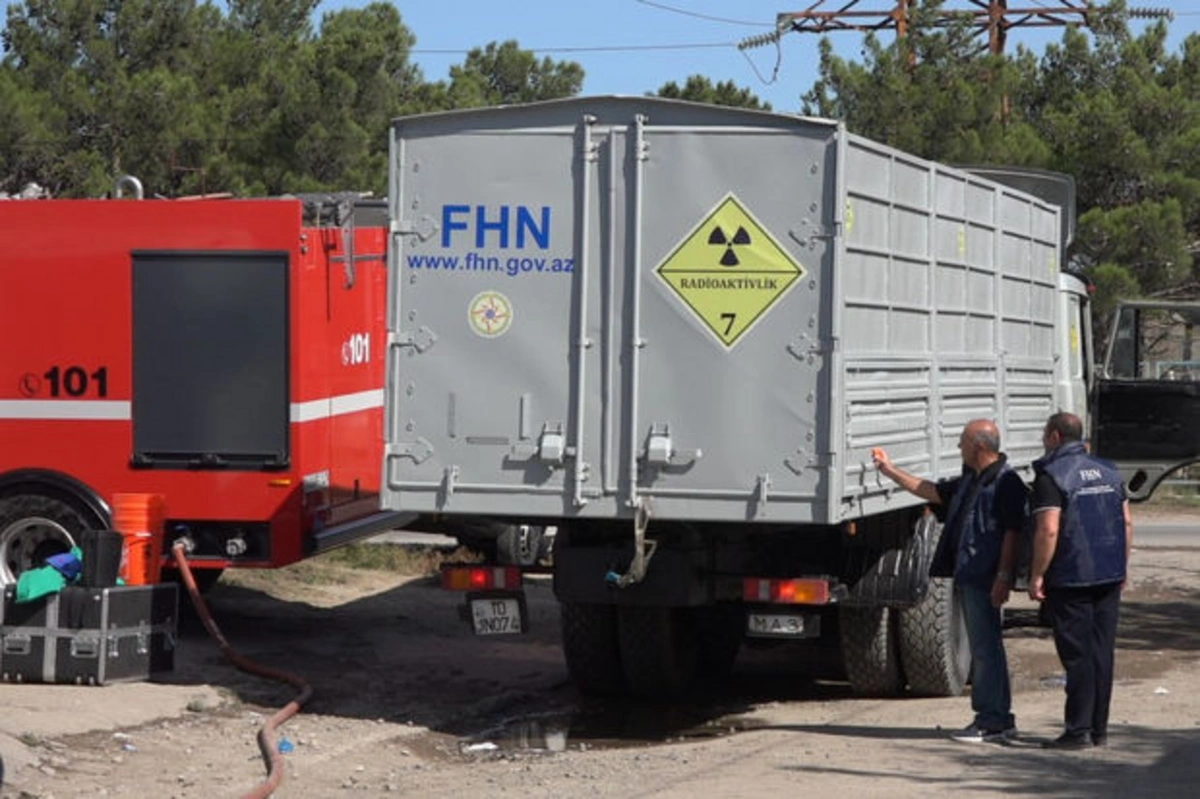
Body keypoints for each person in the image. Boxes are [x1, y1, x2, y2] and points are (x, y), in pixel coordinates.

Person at [873, 419, 1026, 744]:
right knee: (986, 649)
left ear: (979, 447)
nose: (959, 447)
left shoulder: (1005, 482)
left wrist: (1003, 576)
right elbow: (929, 490)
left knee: (985, 651)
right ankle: (1000, 719)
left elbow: (1013, 533)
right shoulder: (972, 480)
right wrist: (890, 471)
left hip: (985, 577)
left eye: (962, 442)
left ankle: (991, 721)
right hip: (970, 574)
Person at [1028, 412, 1133, 750]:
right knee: (1102, 653)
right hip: (1108, 573)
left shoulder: (1051, 476)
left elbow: (1049, 529)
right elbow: (1127, 523)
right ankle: (1098, 730)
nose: (1044, 439)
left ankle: (1077, 731)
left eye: (1045, 434)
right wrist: (1122, 566)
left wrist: (1038, 573)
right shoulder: (1109, 470)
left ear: (1055, 436)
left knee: (1077, 656)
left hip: (1072, 576)